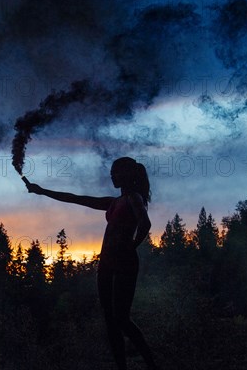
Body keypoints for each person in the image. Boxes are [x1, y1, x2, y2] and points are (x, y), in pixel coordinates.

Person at [27, 157, 158, 370]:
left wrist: (131, 246)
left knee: (121, 318)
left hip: (124, 263)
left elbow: (145, 223)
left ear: (127, 174)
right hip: (106, 263)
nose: (112, 175)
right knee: (110, 319)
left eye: (116, 171)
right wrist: (42, 191)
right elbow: (76, 198)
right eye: (111, 172)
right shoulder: (114, 202)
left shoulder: (134, 198)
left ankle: (152, 366)